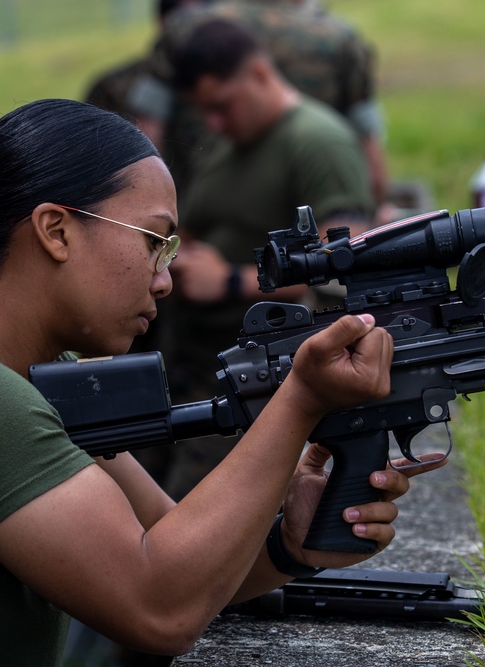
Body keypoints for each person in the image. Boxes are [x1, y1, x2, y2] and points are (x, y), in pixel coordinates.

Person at [0, 98, 446, 664]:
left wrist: (288, 543)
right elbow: (156, 608)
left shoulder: (22, 378)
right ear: (56, 230)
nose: (164, 279)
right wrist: (301, 401)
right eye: (154, 241)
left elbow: (172, 549)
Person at [150, 17, 376, 499]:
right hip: (187, 360)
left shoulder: (318, 142)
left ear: (258, 74)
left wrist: (229, 281)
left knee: (188, 515)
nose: (213, 122)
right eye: (203, 112)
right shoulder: (231, 142)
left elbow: (346, 272)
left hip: (253, 374)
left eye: (221, 106)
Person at [127, 0, 388, 203]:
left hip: (198, 208)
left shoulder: (187, 29)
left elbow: (148, 132)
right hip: (309, 214)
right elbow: (369, 151)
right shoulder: (340, 38)